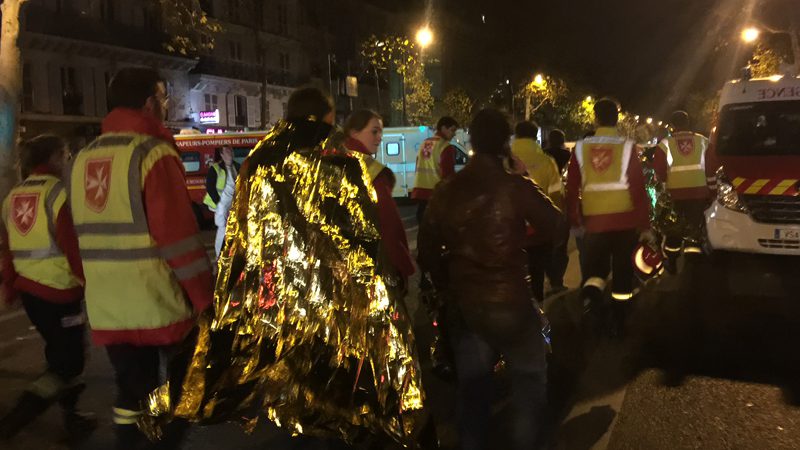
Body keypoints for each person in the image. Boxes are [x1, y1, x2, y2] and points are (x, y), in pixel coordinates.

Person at [143, 88, 426, 448]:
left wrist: (230, 300)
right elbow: (365, 239)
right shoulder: (342, 161)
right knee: (334, 399)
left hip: (279, 302)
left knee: (293, 394)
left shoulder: (260, 160)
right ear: (327, 119)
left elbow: (242, 236)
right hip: (334, 306)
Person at [68, 67, 213, 449]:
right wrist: (205, 301)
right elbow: (179, 242)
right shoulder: (153, 153)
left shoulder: (83, 158)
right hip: (157, 302)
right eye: (164, 99)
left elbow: (76, 235)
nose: (165, 106)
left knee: (131, 396)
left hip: (108, 305)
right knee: (189, 389)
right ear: (150, 103)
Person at [419, 108, 564, 450]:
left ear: (470, 140)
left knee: (472, 389)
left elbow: (426, 253)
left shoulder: (446, 190)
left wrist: (446, 284)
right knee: (529, 381)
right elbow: (558, 227)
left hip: (468, 308)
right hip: (512, 303)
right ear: (505, 143)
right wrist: (524, 181)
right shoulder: (515, 186)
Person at [0, 135, 97, 442]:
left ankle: (72, 418)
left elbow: (7, 249)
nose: (67, 162)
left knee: (63, 354)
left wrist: (10, 288)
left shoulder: (13, 197)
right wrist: (89, 285)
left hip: (32, 293)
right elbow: (72, 247)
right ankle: (16, 418)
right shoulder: (56, 194)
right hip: (59, 292)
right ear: (54, 157)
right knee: (68, 362)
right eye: (65, 155)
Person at [566, 99, 653, 337]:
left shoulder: (581, 149)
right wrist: (644, 225)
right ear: (617, 119)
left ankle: (593, 299)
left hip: (594, 223)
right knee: (623, 272)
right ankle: (621, 319)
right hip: (625, 224)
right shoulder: (626, 147)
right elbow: (638, 190)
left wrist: (575, 222)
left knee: (596, 269)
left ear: (596, 119)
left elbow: (571, 189)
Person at [343, 110, 415, 283]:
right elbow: (388, 223)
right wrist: (400, 267)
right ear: (354, 133)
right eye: (374, 131)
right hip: (375, 268)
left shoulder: (335, 160)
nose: (379, 137)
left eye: (381, 132)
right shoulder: (370, 170)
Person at [511, 121, 565, 302]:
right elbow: (556, 196)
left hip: (510, 231)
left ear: (516, 136)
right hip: (539, 231)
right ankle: (539, 312)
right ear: (535, 138)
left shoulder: (504, 160)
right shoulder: (546, 161)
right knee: (537, 275)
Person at [652, 110, 711, 272]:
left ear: (672, 125)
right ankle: (694, 260)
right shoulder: (703, 141)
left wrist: (665, 183)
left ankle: (672, 259)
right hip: (699, 193)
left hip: (675, 194)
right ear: (688, 122)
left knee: (674, 228)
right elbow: (712, 167)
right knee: (694, 226)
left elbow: (659, 170)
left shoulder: (665, 144)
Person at [411, 116, 459, 224]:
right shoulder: (445, 146)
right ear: (443, 128)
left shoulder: (424, 143)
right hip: (437, 194)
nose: (454, 134)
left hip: (420, 191)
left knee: (424, 230)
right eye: (452, 130)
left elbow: (418, 164)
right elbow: (448, 175)